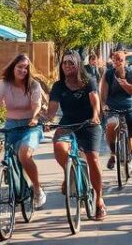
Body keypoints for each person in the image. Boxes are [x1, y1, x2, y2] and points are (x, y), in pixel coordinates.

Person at [0, 54, 48, 208]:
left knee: (24, 154)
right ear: (13, 67)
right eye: (19, 67)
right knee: (10, 159)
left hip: (30, 126)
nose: (23, 70)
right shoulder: (4, 84)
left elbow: (37, 105)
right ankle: (16, 186)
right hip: (11, 126)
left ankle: (37, 188)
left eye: (26, 68)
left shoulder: (34, 85)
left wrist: (34, 118)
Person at [44, 52, 106, 220]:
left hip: (89, 124)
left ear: (78, 65)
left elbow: (95, 100)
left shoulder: (88, 82)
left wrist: (95, 115)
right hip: (67, 124)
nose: (67, 66)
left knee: (92, 159)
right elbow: (52, 110)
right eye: (65, 63)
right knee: (58, 147)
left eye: (71, 63)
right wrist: (47, 120)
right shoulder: (58, 86)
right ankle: (69, 172)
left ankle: (99, 200)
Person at [99, 50, 132, 171]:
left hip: (129, 106)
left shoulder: (130, 72)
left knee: (130, 133)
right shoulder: (109, 74)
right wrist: (103, 105)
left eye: (121, 59)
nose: (118, 62)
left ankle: (130, 154)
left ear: (125, 61)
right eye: (116, 59)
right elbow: (103, 92)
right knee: (111, 125)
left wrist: (125, 84)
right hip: (113, 106)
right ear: (113, 61)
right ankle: (113, 154)